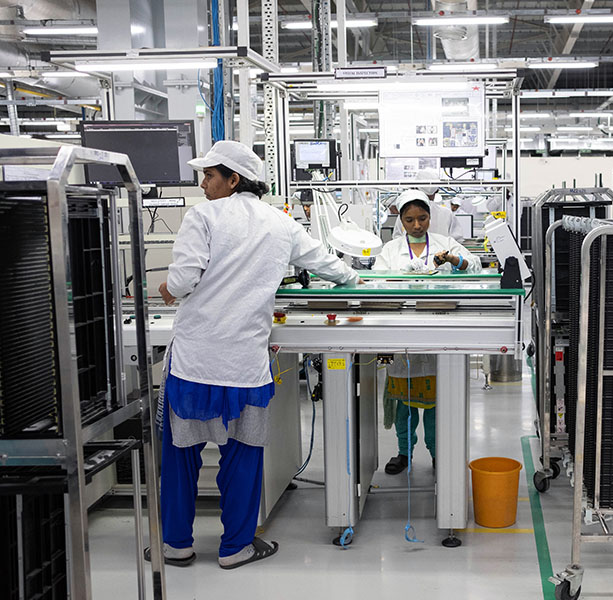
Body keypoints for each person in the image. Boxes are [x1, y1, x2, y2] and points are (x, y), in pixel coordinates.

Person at [152, 140, 359, 569]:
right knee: (243, 456)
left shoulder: (202, 216)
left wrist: (166, 290)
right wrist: (355, 279)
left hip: (195, 362)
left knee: (181, 454)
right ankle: (236, 548)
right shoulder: (281, 223)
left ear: (234, 179)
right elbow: (329, 265)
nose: (204, 183)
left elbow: (185, 279)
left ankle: (176, 544)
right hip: (244, 365)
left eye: (210, 175)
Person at [373, 189, 481, 474]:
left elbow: (475, 268)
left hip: (438, 328)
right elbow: (376, 281)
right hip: (400, 332)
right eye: (410, 220)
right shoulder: (390, 250)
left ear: (430, 217)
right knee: (402, 405)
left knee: (436, 404)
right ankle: (403, 452)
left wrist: (454, 261)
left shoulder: (445, 243)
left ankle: (437, 452)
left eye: (422, 218)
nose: (417, 225)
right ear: (401, 222)